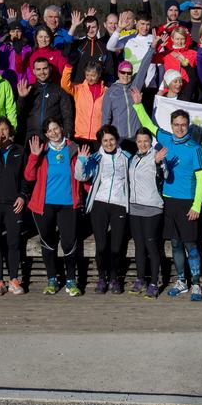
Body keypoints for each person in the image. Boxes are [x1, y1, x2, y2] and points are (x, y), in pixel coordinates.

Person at [143, 109, 202, 302]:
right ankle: (181, 281)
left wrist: (197, 205)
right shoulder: (167, 139)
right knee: (176, 243)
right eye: (176, 124)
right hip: (169, 200)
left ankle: (196, 282)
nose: (180, 128)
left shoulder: (195, 147)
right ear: (171, 125)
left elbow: (201, 178)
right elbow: (149, 124)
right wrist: (138, 105)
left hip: (188, 202)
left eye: (183, 124)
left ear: (188, 126)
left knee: (190, 244)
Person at [24, 119, 84, 296]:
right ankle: (52, 279)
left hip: (68, 203)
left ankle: (71, 281)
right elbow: (29, 176)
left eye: (55, 128)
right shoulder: (41, 151)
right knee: (48, 242)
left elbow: (84, 177)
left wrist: (84, 162)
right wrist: (34, 156)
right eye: (49, 131)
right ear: (46, 134)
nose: (54, 133)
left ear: (62, 129)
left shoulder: (74, 148)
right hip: (45, 204)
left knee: (68, 242)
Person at [75, 125, 131, 294]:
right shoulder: (96, 157)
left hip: (119, 204)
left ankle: (114, 278)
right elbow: (80, 176)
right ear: (100, 142)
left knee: (116, 246)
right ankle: (101, 278)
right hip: (100, 203)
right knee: (101, 245)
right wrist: (81, 160)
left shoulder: (126, 157)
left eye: (111, 140)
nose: (108, 143)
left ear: (117, 139)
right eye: (105, 140)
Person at [0, 117, 31, 296]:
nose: (1, 133)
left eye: (4, 129)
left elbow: (26, 177)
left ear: (10, 131)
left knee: (14, 242)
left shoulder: (20, 151)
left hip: (13, 204)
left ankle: (14, 279)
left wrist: (23, 196)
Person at [127, 127, 166, 298]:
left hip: (152, 207)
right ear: (136, 142)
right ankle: (140, 279)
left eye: (146, 141)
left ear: (151, 142)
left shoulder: (156, 156)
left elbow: (165, 175)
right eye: (140, 141)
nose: (143, 144)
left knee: (151, 245)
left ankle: (154, 282)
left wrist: (158, 164)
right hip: (135, 207)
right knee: (139, 245)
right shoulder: (134, 158)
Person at [18, 58, 75, 142]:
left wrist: (67, 134)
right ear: (33, 71)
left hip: (53, 137)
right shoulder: (29, 89)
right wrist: (22, 98)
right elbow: (19, 113)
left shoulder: (59, 90)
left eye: (45, 68)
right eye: (38, 69)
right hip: (32, 137)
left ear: (50, 69)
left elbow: (67, 115)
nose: (42, 72)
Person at [61, 62, 107, 146]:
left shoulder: (106, 92)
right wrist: (68, 67)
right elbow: (65, 84)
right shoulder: (79, 89)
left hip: (98, 136)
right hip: (80, 135)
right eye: (87, 75)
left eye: (93, 75)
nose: (90, 78)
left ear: (99, 74)